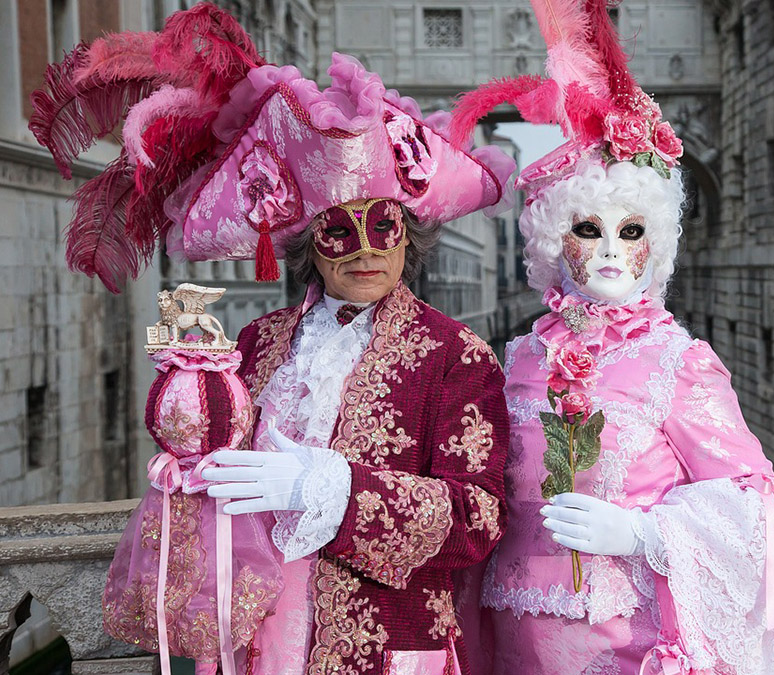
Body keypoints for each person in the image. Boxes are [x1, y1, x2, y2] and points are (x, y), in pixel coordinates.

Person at [31, 5, 516, 673]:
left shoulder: (454, 355)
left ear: (409, 235)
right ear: (307, 245)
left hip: (380, 645)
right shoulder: (258, 341)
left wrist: (330, 489)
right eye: (338, 230)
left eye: (384, 226)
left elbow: (478, 517)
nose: (365, 251)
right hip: (254, 636)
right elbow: (210, 456)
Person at [450, 1, 774, 673]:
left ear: (654, 242)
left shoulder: (678, 361)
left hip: (622, 645)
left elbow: (756, 502)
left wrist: (640, 530)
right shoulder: (518, 358)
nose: (610, 253)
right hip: (512, 640)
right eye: (587, 229)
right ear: (549, 242)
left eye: (630, 232)